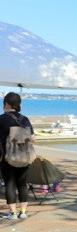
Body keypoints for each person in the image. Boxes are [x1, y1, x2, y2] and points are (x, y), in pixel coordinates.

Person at [0, 92, 35, 220]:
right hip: (24, 157)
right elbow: (33, 138)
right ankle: (24, 212)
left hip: (7, 157)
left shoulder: (2, 119)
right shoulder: (24, 119)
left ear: (6, 104)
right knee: (22, 184)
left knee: (10, 184)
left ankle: (13, 213)